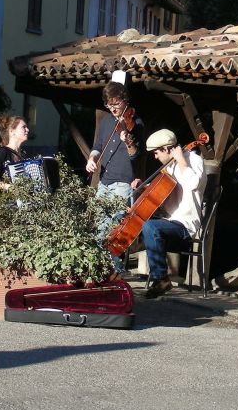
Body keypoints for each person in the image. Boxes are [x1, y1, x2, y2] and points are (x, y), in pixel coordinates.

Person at [141, 129, 206, 299]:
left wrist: (182, 161)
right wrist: (144, 188)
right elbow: (163, 195)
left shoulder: (194, 160)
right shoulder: (169, 167)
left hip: (185, 225)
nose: (155, 157)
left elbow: (193, 184)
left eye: (156, 152)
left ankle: (161, 279)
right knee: (130, 219)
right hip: (168, 220)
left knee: (150, 227)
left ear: (167, 149)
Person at [86, 82, 145, 272]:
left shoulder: (136, 123)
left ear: (125, 100)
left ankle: (113, 271)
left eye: (116, 104)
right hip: (104, 181)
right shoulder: (106, 122)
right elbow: (97, 146)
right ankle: (101, 269)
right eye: (108, 105)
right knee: (98, 226)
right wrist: (91, 158)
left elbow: (135, 154)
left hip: (122, 183)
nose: (112, 108)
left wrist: (128, 141)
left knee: (113, 229)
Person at [0, 114, 29, 190]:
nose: (27, 130)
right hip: (7, 201)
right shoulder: (1, 153)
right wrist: (10, 188)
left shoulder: (23, 156)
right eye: (23, 127)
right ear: (11, 131)